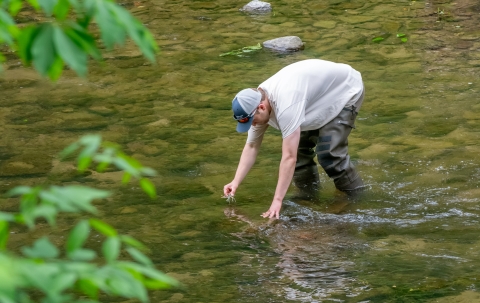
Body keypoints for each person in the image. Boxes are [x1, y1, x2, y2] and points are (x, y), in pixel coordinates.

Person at [223, 59, 366, 219]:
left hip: (345, 90)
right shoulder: (255, 105)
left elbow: (288, 158)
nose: (252, 125)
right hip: (313, 98)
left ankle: (355, 199)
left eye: (252, 121)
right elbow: (251, 147)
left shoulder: (286, 105)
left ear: (261, 107)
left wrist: (277, 200)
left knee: (329, 154)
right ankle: (307, 198)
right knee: (300, 151)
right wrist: (235, 182)